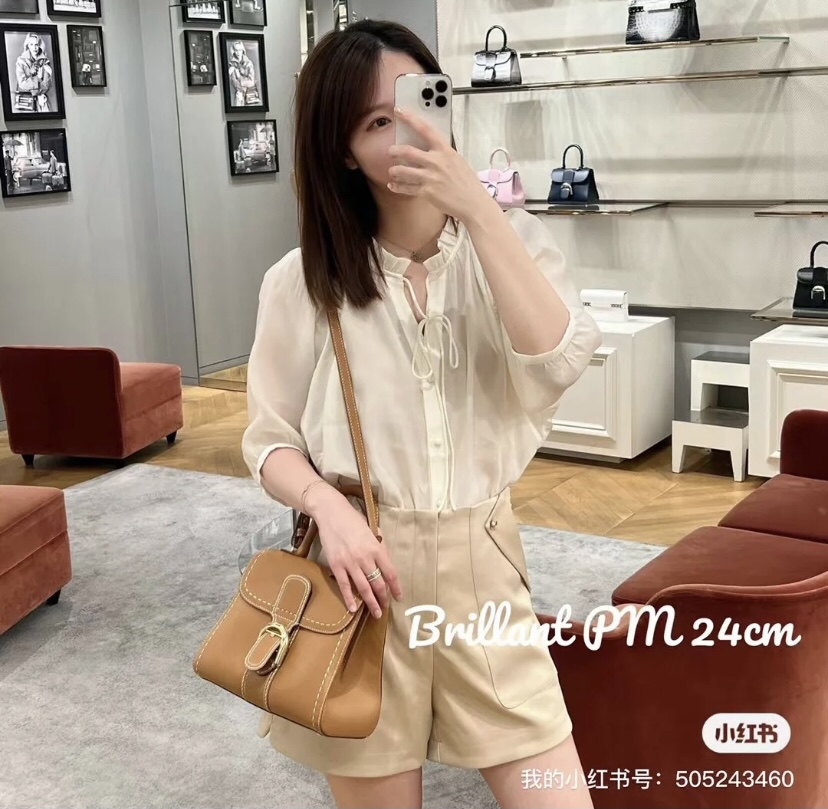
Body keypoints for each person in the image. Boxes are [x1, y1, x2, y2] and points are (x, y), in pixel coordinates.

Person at [241, 19, 602, 809]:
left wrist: (479, 208)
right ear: (343, 151)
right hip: (364, 579)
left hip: (484, 572)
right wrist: (328, 508)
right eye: (378, 121)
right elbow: (268, 442)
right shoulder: (301, 282)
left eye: (419, 105)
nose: (409, 134)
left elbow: (557, 360)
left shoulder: (512, 243)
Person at [14, 33, 53, 113]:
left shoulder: (45, 61)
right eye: (31, 44)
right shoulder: (21, 61)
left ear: (40, 45)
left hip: (42, 103)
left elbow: (46, 86)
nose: (34, 48)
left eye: (36, 44)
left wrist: (33, 85)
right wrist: (38, 79)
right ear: (27, 45)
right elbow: (22, 84)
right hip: (27, 102)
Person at [227, 40, 257, 106]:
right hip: (237, 95)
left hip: (249, 94)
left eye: (240, 50)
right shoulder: (232, 64)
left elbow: (251, 82)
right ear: (233, 51)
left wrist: (239, 77)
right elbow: (233, 82)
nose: (238, 52)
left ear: (243, 50)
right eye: (236, 50)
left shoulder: (248, 63)